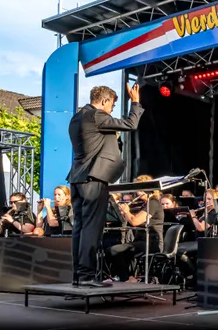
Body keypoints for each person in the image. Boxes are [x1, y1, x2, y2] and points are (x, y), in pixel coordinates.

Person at [67, 83, 144, 287]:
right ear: (104, 101)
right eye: (112, 105)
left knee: (80, 228)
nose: (111, 110)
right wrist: (135, 102)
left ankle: (78, 276)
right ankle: (87, 276)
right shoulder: (97, 115)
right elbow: (131, 124)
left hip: (77, 178)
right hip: (94, 178)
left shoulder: (77, 117)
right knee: (91, 229)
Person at [109, 175, 164, 283]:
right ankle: (127, 277)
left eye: (139, 188)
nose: (136, 191)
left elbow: (135, 222)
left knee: (115, 250)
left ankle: (126, 279)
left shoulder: (153, 203)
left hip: (151, 242)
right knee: (114, 248)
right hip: (141, 241)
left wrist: (126, 211)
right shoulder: (144, 204)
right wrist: (123, 213)